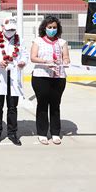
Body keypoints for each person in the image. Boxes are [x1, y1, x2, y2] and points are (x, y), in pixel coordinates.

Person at [0, 18, 28, 146]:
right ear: (3, 28)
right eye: (8, 29)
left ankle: (12, 133)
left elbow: (24, 55)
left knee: (12, 107)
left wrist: (23, 62)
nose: (11, 32)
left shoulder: (20, 41)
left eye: (13, 30)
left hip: (14, 77)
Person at [30, 16, 70, 145]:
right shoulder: (38, 41)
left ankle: (55, 132)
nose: (52, 30)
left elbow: (66, 58)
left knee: (55, 105)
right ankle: (42, 133)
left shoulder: (62, 42)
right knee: (42, 105)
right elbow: (33, 57)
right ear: (44, 28)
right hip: (41, 76)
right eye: (49, 27)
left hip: (58, 77)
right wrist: (46, 62)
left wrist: (63, 62)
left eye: (54, 27)